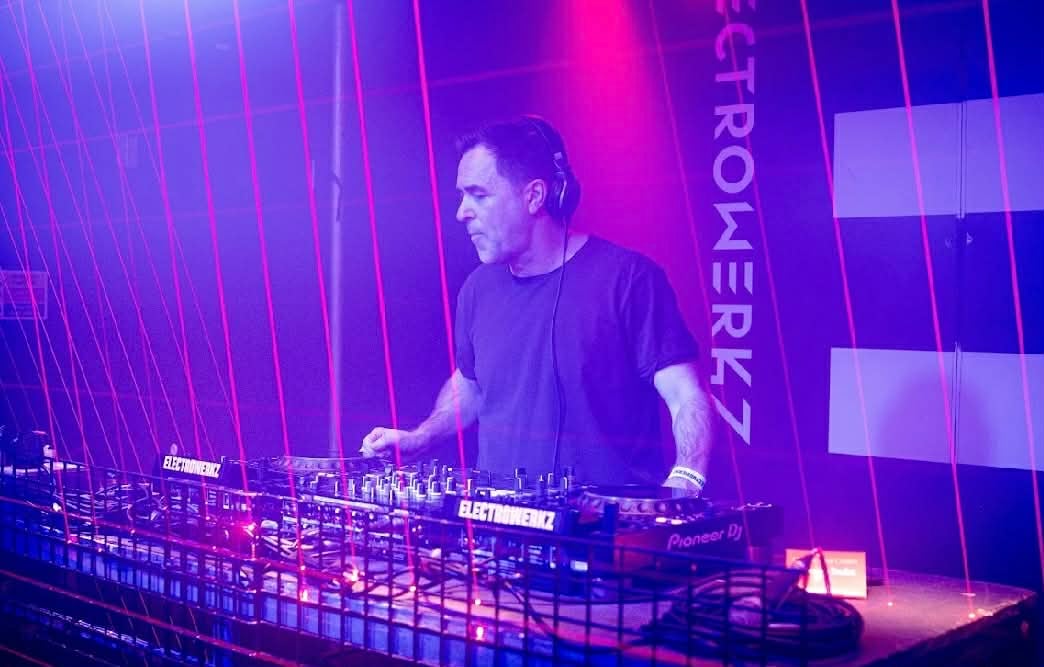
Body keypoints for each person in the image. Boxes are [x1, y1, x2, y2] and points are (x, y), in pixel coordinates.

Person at [361, 116, 712, 495]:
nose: (462, 212)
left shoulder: (627, 279)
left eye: (478, 195)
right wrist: (421, 437)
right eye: (461, 196)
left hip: (606, 524)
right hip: (499, 519)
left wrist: (687, 476)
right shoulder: (478, 288)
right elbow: (471, 385)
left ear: (534, 196)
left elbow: (685, 394)